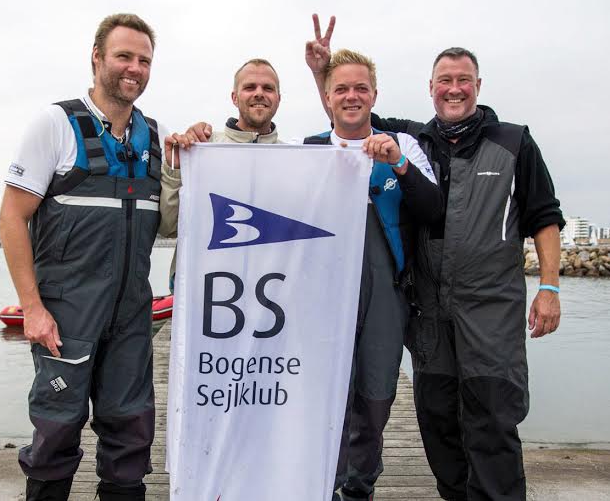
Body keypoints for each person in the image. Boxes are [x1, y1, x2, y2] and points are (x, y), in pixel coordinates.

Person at [312, 39, 564, 500]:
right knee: (438, 419)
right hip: (428, 311)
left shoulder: (513, 141)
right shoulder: (415, 137)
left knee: (492, 418)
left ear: (478, 85)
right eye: (444, 81)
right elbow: (347, 117)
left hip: (490, 309)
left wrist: (549, 287)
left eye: (463, 80)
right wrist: (319, 69)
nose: (454, 89)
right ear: (430, 88)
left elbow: (544, 217)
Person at [0, 13, 174, 501]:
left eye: (144, 59)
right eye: (123, 55)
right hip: (66, 314)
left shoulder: (154, 139)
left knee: (130, 439)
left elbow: (178, 214)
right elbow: (11, 218)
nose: (134, 68)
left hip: (131, 317)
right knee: (56, 434)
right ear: (96, 57)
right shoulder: (55, 124)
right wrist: (31, 307)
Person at [304, 46, 443, 501]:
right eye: (340, 88)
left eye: (360, 88)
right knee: (327, 398)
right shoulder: (307, 152)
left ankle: (359, 487)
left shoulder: (402, 146)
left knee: (375, 398)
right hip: (322, 298)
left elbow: (435, 212)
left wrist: (399, 165)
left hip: (387, 293)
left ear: (374, 94)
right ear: (327, 98)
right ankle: (323, 483)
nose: (351, 96)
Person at [158, 58, 284, 289]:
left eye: (268, 88)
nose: (259, 93)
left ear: (278, 98)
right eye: (249, 87)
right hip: (203, 286)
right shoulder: (201, 147)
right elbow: (168, 227)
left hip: (269, 286)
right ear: (235, 97)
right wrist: (174, 168)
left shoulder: (294, 160)